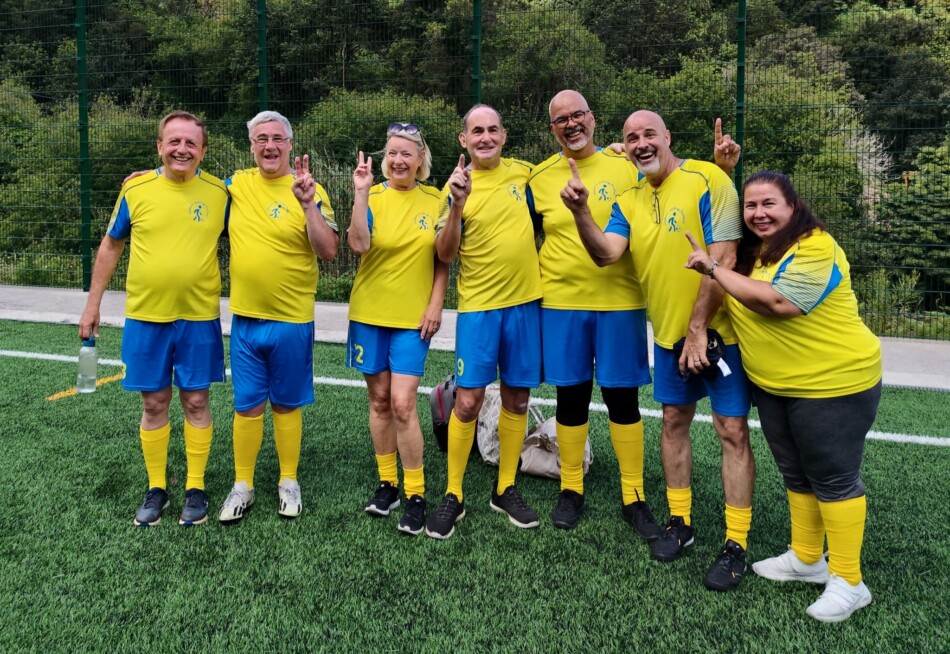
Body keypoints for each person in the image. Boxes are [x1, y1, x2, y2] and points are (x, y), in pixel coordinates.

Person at [528, 90, 742, 534]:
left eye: (579, 115)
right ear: (552, 129)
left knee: (622, 399)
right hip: (562, 303)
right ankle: (571, 489)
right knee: (570, 398)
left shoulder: (626, 162)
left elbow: (681, 179)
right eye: (561, 119)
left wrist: (721, 170)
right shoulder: (539, 178)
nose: (571, 124)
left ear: (593, 117)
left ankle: (634, 494)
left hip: (623, 303)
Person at [565, 110, 755, 592]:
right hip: (668, 337)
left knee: (731, 431)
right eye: (632, 138)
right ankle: (680, 522)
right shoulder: (627, 199)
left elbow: (725, 256)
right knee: (673, 423)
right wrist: (580, 212)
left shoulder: (709, 177)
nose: (641, 143)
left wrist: (697, 327)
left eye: (650, 134)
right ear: (624, 148)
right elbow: (607, 254)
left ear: (668, 136)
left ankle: (736, 543)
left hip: (721, 334)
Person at [684, 170, 881, 621]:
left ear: (792, 206)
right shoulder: (754, 251)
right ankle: (808, 558)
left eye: (769, 204)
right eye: (751, 206)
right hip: (776, 386)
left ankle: (849, 580)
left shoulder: (815, 245)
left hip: (834, 383)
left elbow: (777, 303)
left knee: (833, 478)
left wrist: (712, 268)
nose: (758, 213)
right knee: (796, 473)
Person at [79, 110, 229, 527]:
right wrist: (92, 304)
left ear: (202, 151)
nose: (182, 149)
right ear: (159, 146)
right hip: (146, 316)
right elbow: (111, 246)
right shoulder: (135, 189)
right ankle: (157, 488)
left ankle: (195, 488)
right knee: (154, 401)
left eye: (191, 143)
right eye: (174, 141)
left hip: (199, 317)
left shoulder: (221, 192)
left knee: (196, 400)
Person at [425, 104, 543, 540]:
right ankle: (453, 493)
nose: (486, 137)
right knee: (469, 401)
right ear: (463, 140)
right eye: (477, 131)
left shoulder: (526, 174)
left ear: (504, 135)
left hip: (526, 305)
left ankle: (505, 487)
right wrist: (457, 205)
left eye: (493, 129)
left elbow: (575, 168)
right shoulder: (453, 187)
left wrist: (615, 150)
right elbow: (445, 253)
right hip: (478, 309)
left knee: (517, 398)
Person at [217, 110, 339, 524]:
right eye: (260, 139)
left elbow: (329, 251)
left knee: (286, 405)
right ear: (251, 146)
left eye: (277, 139)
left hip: (291, 320)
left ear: (289, 144)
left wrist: (308, 206)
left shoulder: (310, 188)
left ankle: (289, 480)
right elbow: (188, 182)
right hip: (246, 322)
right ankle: (243, 486)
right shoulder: (235, 184)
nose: (269, 146)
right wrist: (156, 169)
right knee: (247, 406)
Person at [347, 123, 449, 536]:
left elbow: (444, 256)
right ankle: (387, 483)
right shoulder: (369, 195)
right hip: (369, 313)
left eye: (407, 153)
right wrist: (358, 193)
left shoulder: (436, 197)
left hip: (413, 319)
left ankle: (416, 493)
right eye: (392, 153)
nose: (398, 160)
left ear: (421, 159)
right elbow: (357, 244)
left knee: (404, 404)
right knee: (379, 400)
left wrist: (436, 303)